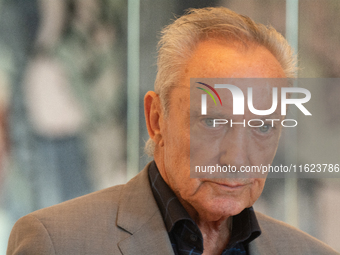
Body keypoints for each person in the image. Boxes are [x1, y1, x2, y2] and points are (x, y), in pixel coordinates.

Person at [7, 7, 339, 255]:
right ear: (156, 119)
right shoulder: (57, 242)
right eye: (212, 122)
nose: (237, 158)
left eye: (264, 126)